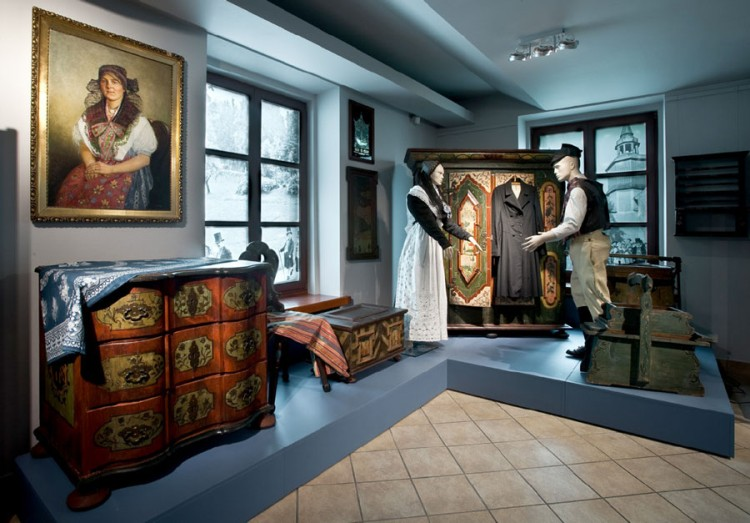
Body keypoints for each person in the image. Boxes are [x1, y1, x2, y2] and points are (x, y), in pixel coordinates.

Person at [522, 144, 612, 369]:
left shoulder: (579, 189)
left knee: (596, 298)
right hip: (584, 245)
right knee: (581, 296)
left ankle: (604, 354)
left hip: (588, 245)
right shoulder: (585, 186)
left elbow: (572, 225)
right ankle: (590, 346)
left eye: (558, 166)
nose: (555, 171)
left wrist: (544, 237)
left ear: (571, 163)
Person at [394, 161, 483, 353]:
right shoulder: (416, 194)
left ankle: (424, 334)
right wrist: (445, 243)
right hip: (420, 245)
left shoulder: (435, 195)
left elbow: (447, 223)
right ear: (429, 173)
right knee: (417, 285)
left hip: (433, 244)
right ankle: (410, 335)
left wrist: (468, 237)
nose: (443, 176)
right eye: (440, 173)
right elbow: (427, 222)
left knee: (430, 287)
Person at [55, 64, 158, 210]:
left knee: (100, 197)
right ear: (100, 85)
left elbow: (144, 159)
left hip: (124, 170)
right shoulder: (90, 115)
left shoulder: (137, 120)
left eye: (115, 82)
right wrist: (91, 165)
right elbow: (84, 144)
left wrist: (110, 170)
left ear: (124, 87)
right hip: (96, 164)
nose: (109, 86)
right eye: (104, 81)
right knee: (71, 189)